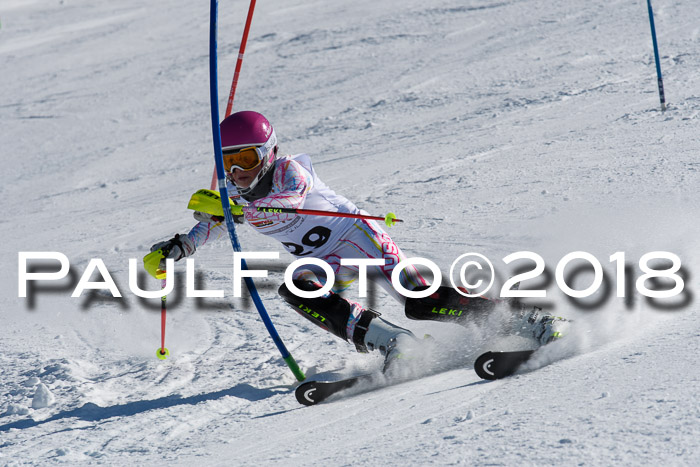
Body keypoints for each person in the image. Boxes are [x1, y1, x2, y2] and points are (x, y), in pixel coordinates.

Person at [150, 111, 567, 369]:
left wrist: (236, 208)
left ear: (269, 152)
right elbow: (210, 224)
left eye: (247, 158)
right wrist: (179, 247)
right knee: (296, 289)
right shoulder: (231, 193)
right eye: (229, 160)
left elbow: (286, 202)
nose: (238, 170)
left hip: (357, 238)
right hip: (320, 257)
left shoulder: (289, 171)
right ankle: (394, 344)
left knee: (419, 301)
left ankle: (530, 320)